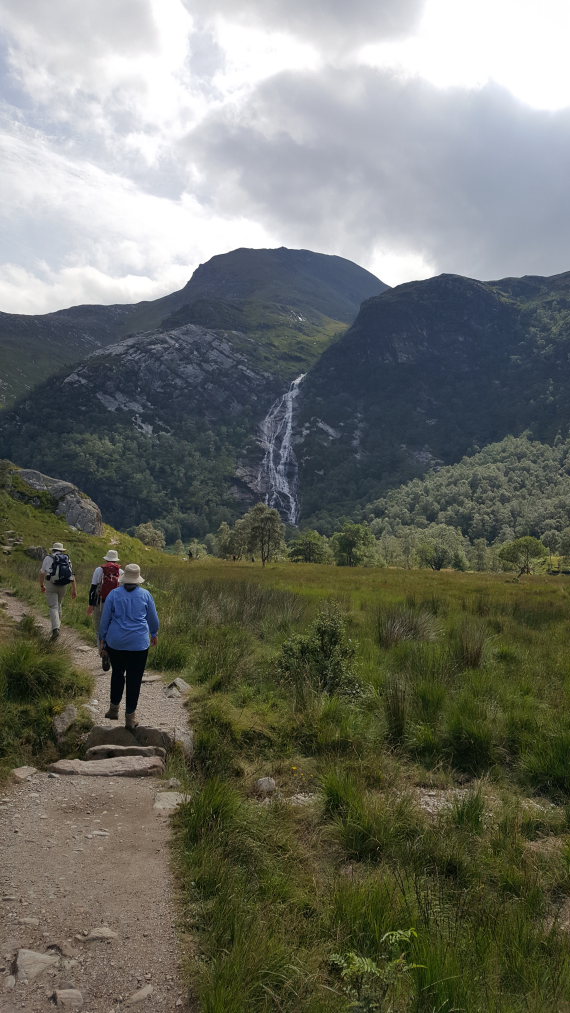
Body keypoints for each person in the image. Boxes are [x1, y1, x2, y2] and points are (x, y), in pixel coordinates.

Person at [99, 563, 159, 729]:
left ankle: (113, 709)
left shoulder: (113, 594)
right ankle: (130, 718)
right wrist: (154, 634)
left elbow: (105, 619)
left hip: (116, 642)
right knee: (134, 679)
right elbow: (153, 619)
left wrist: (102, 639)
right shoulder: (146, 595)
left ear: (123, 579)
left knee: (117, 673)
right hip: (139, 644)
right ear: (138, 579)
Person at [87, 550, 123, 667]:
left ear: (106, 559)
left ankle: (103, 653)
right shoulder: (121, 571)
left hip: (101, 603)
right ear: (116, 560)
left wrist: (91, 605)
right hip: (115, 605)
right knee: (113, 628)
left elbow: (93, 589)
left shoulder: (99, 570)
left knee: (100, 629)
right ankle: (113, 653)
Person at [39, 541, 77, 639]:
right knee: (59, 604)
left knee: (53, 607)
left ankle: (56, 629)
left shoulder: (48, 558)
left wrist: (42, 585)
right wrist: (74, 590)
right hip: (63, 585)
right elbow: (71, 575)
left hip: (51, 584)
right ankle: (58, 627)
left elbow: (42, 573)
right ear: (61, 550)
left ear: (53, 549)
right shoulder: (67, 559)